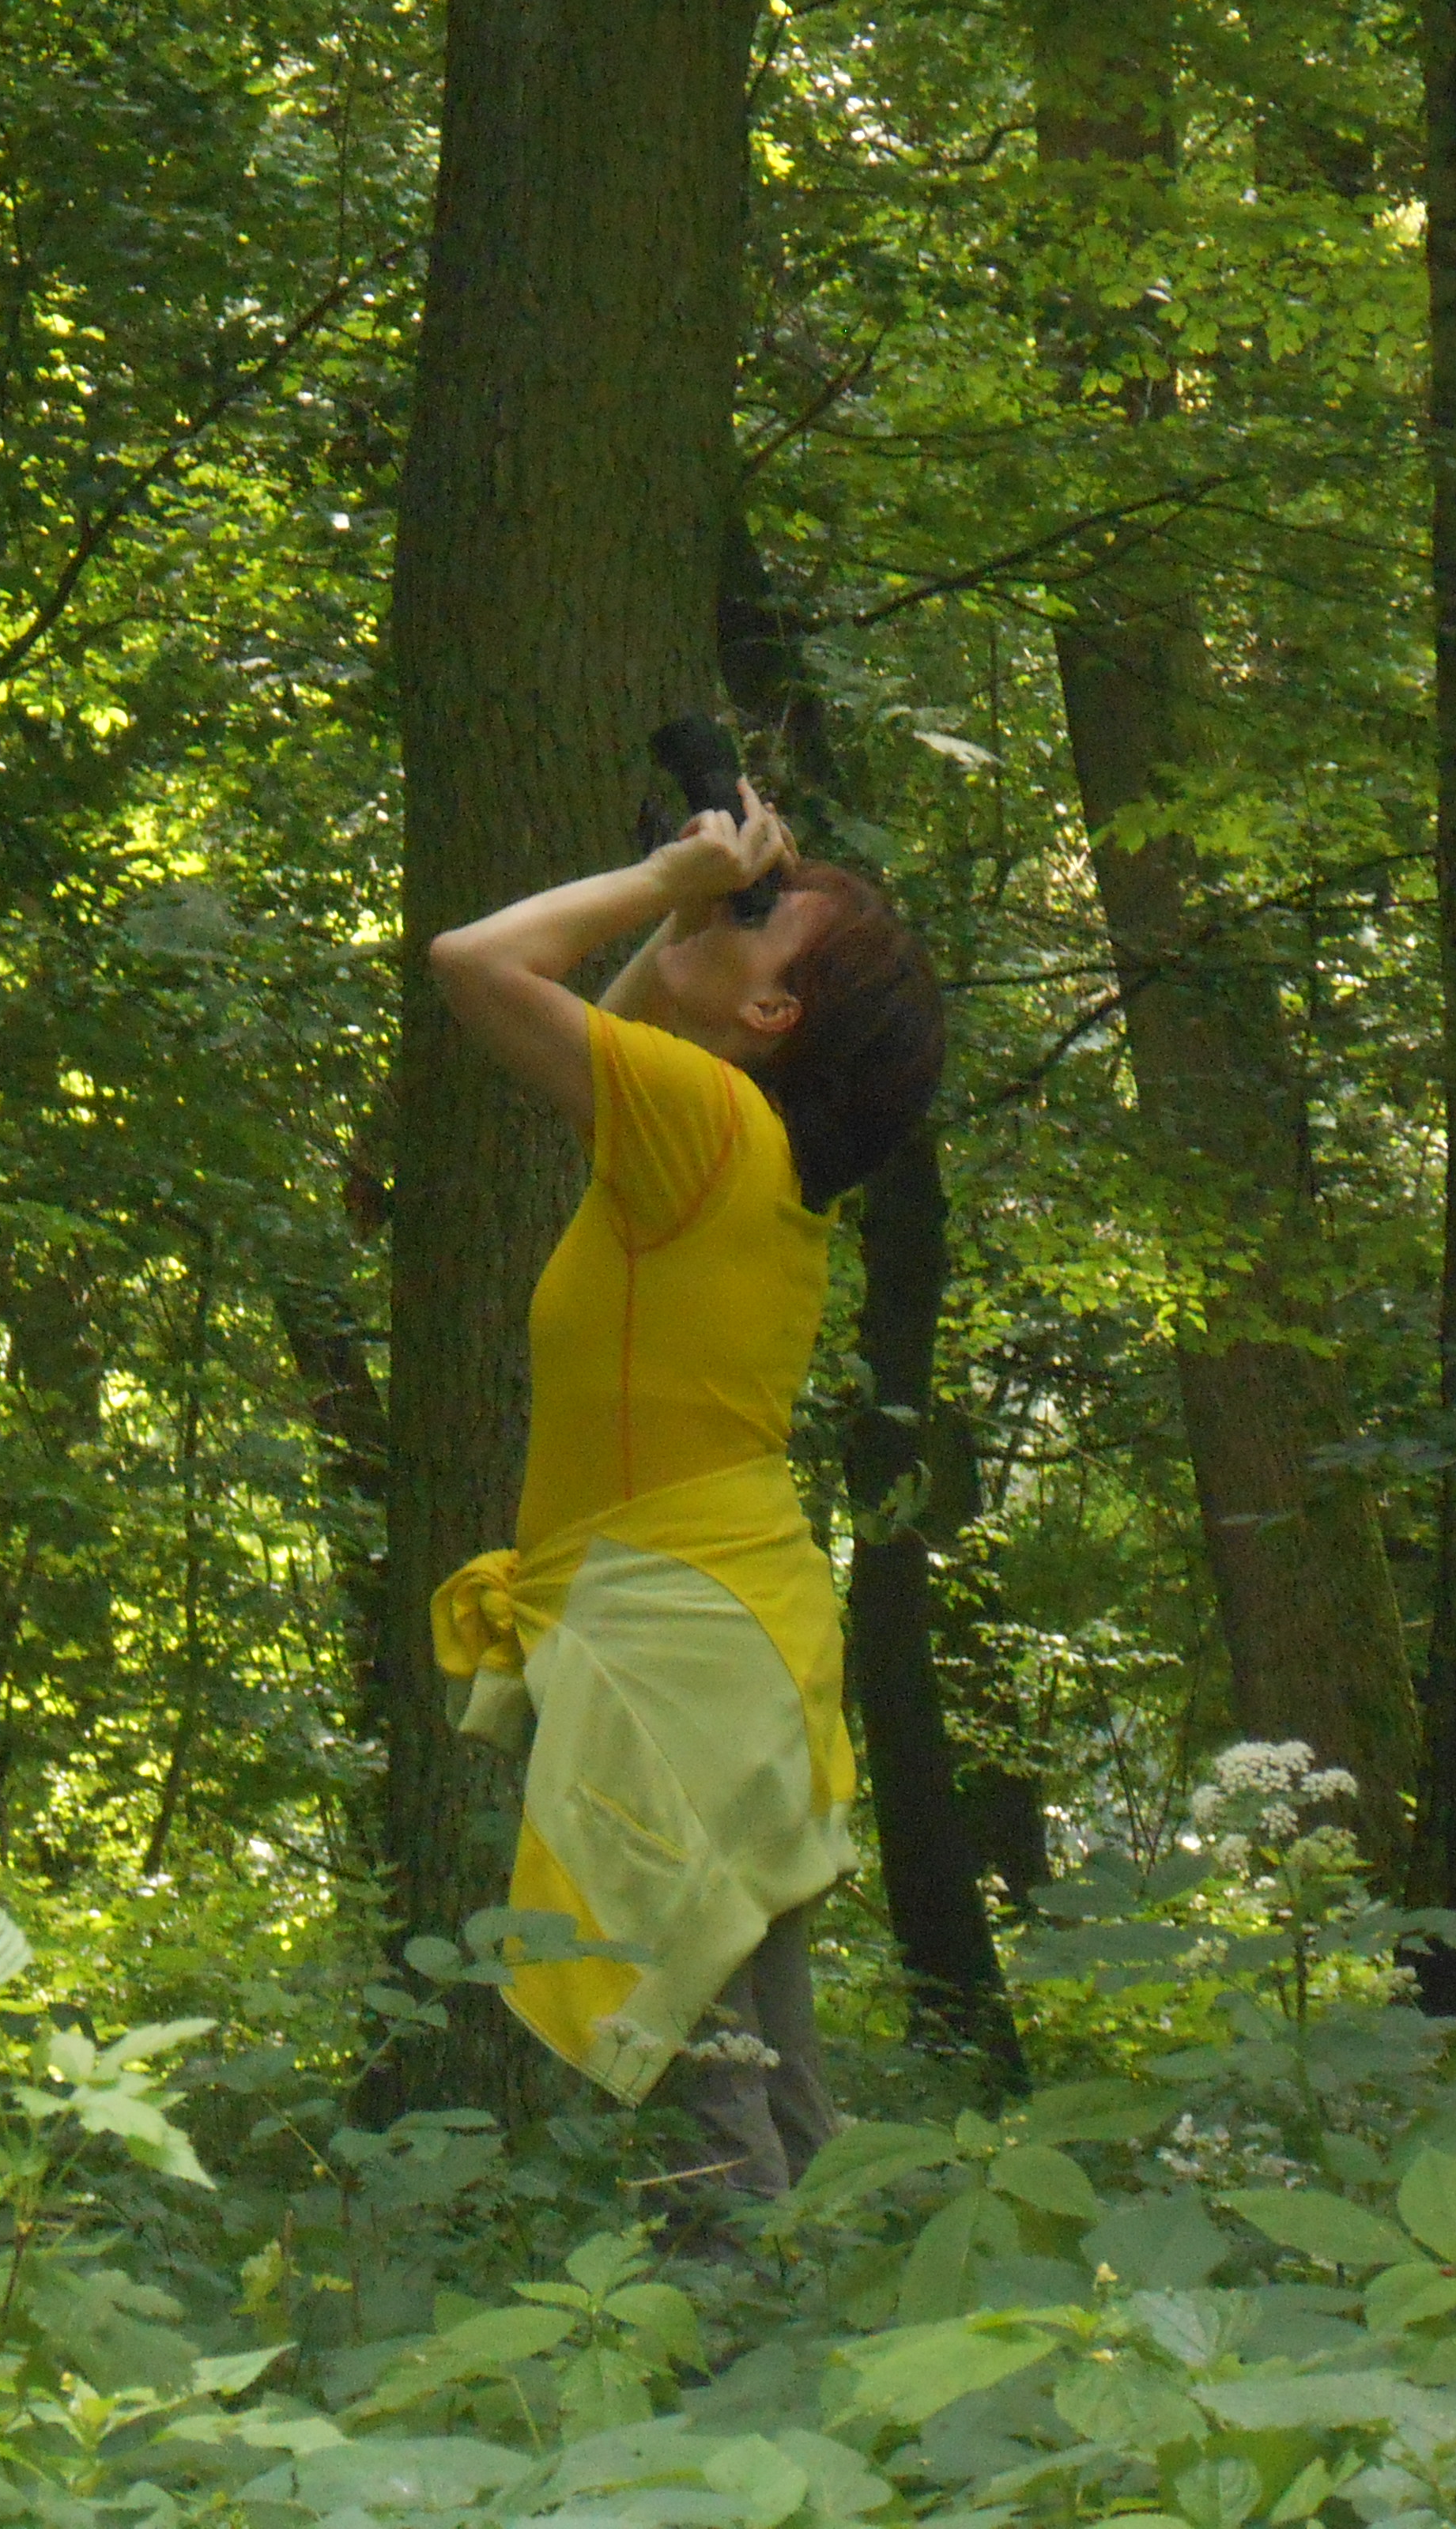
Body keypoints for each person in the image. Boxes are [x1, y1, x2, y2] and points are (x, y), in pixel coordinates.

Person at [424, 784, 946, 2202]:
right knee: (764, 2073)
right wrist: (699, 910)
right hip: (732, 1636)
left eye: (760, 922)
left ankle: (726, 2333)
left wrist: (667, 878)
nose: (723, 914)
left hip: (679, 1645)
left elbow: (475, 963)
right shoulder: (725, 1145)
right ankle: (819, 2318)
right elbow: (611, 1020)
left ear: (774, 1015)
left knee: (702, 2100)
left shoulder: (705, 1120)